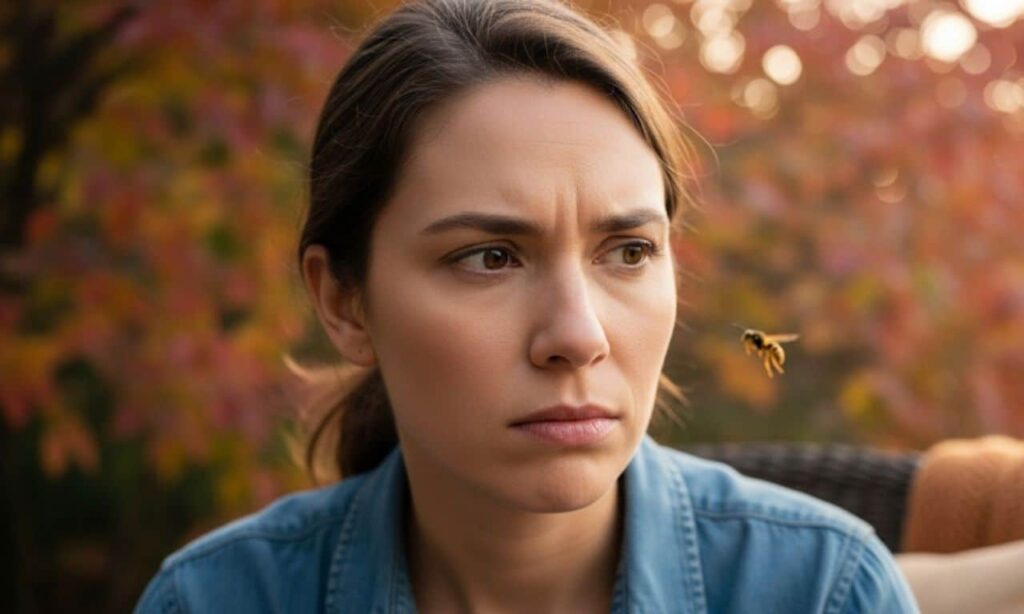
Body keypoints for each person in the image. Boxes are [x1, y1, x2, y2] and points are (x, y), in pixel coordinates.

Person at [135, 0, 919, 611]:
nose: (577, 336)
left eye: (629, 252)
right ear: (344, 302)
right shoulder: (213, 601)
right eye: (491, 258)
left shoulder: (824, 590)